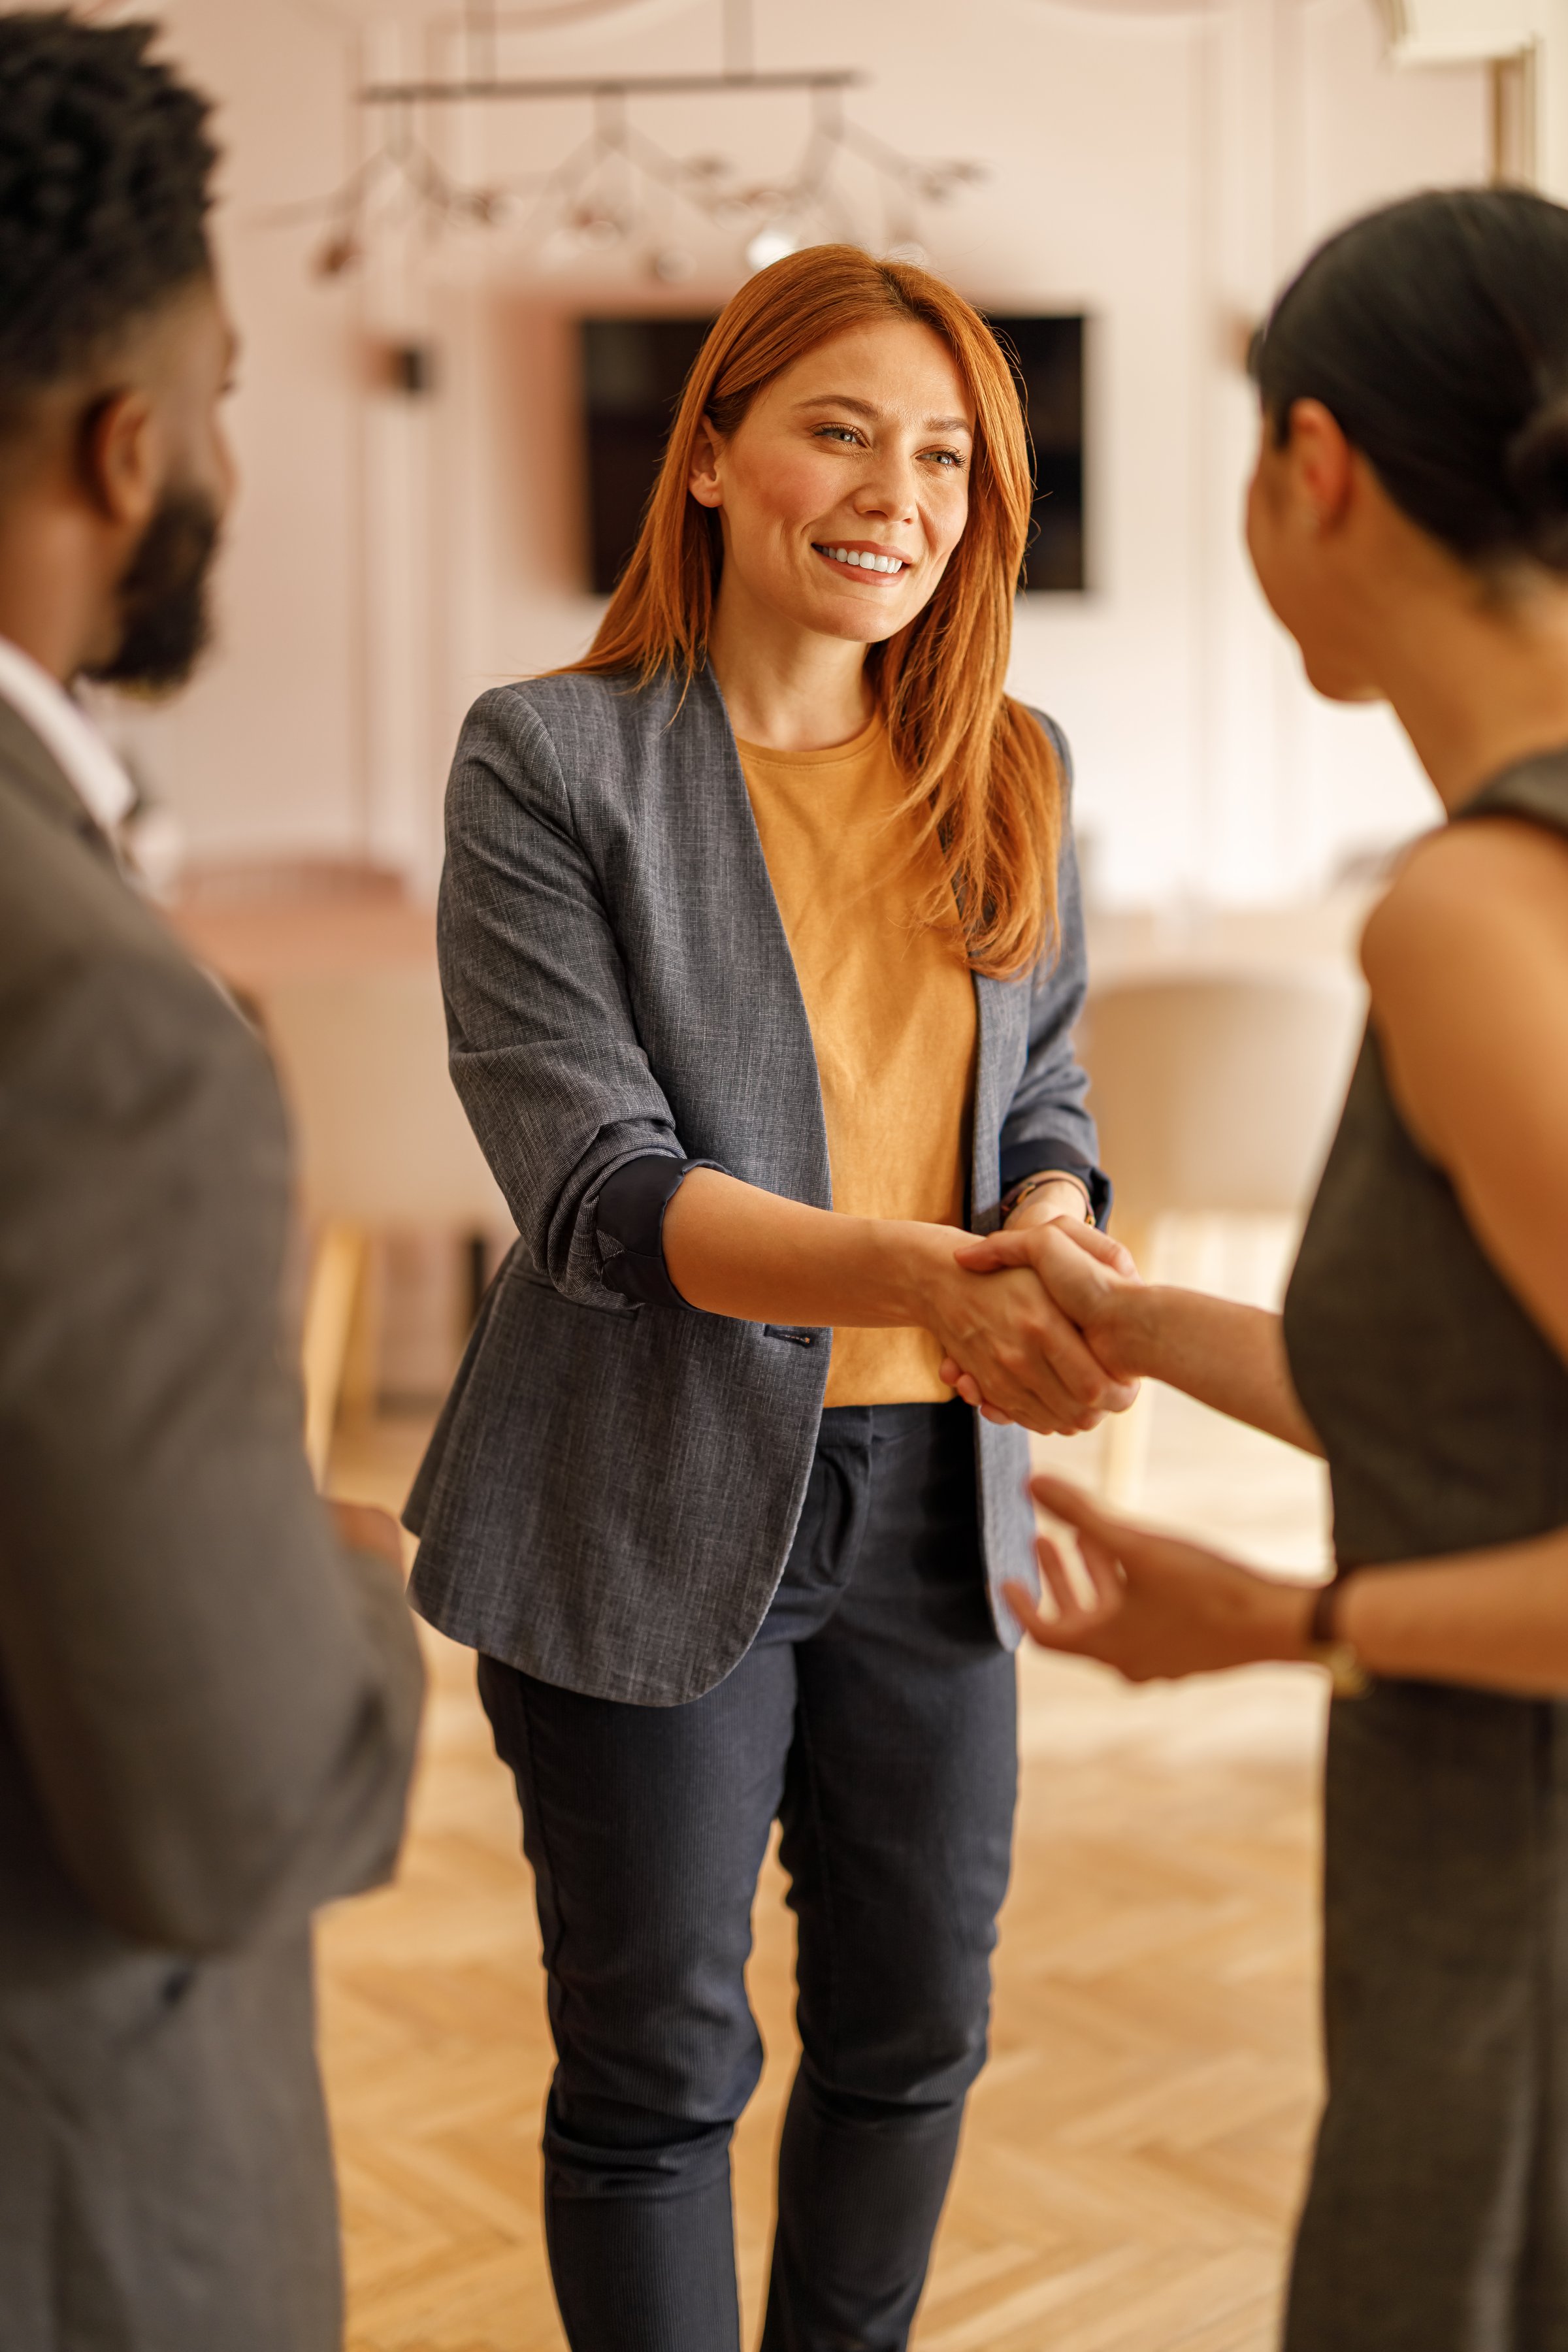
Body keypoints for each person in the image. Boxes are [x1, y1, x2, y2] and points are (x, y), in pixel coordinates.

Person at [404, 246, 1130, 2348]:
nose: (900, 493)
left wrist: (1053, 1211)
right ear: (711, 454)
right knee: (659, 2074)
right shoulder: (550, 759)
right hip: (641, 1488)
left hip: (939, 1506)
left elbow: (1044, 1095)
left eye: (948, 456)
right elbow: (602, 1191)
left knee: (916, 2036)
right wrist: (921, 1270)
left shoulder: (1012, 763)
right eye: (842, 430)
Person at [955, 187, 1568, 2351]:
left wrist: (1284, 1618)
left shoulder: (1474, 909)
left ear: (1316, 465)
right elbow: (1495, 1403)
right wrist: (1133, 1321)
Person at [0, 17, 425, 2351]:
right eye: (230, 396)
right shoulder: (96, 1021)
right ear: (129, 440)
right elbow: (227, 1813)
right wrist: (341, 1589)